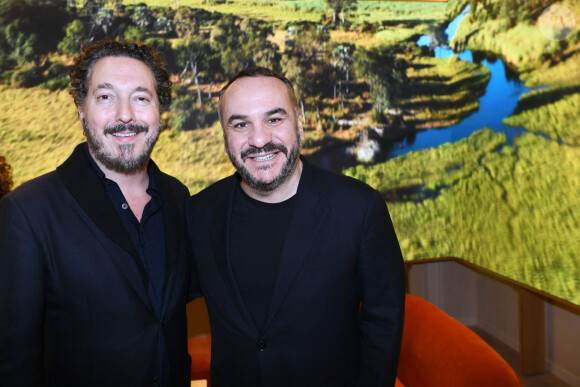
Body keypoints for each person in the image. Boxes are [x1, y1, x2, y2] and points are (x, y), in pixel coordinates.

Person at [186, 66, 406, 386]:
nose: (259, 139)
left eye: (274, 119)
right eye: (240, 124)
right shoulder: (199, 212)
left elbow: (383, 322)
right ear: (224, 138)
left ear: (299, 124)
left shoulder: (359, 209)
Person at [0, 40, 192, 386]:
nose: (125, 115)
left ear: (160, 109)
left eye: (140, 97)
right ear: (80, 108)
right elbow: (14, 363)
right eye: (105, 97)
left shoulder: (178, 198)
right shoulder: (28, 212)